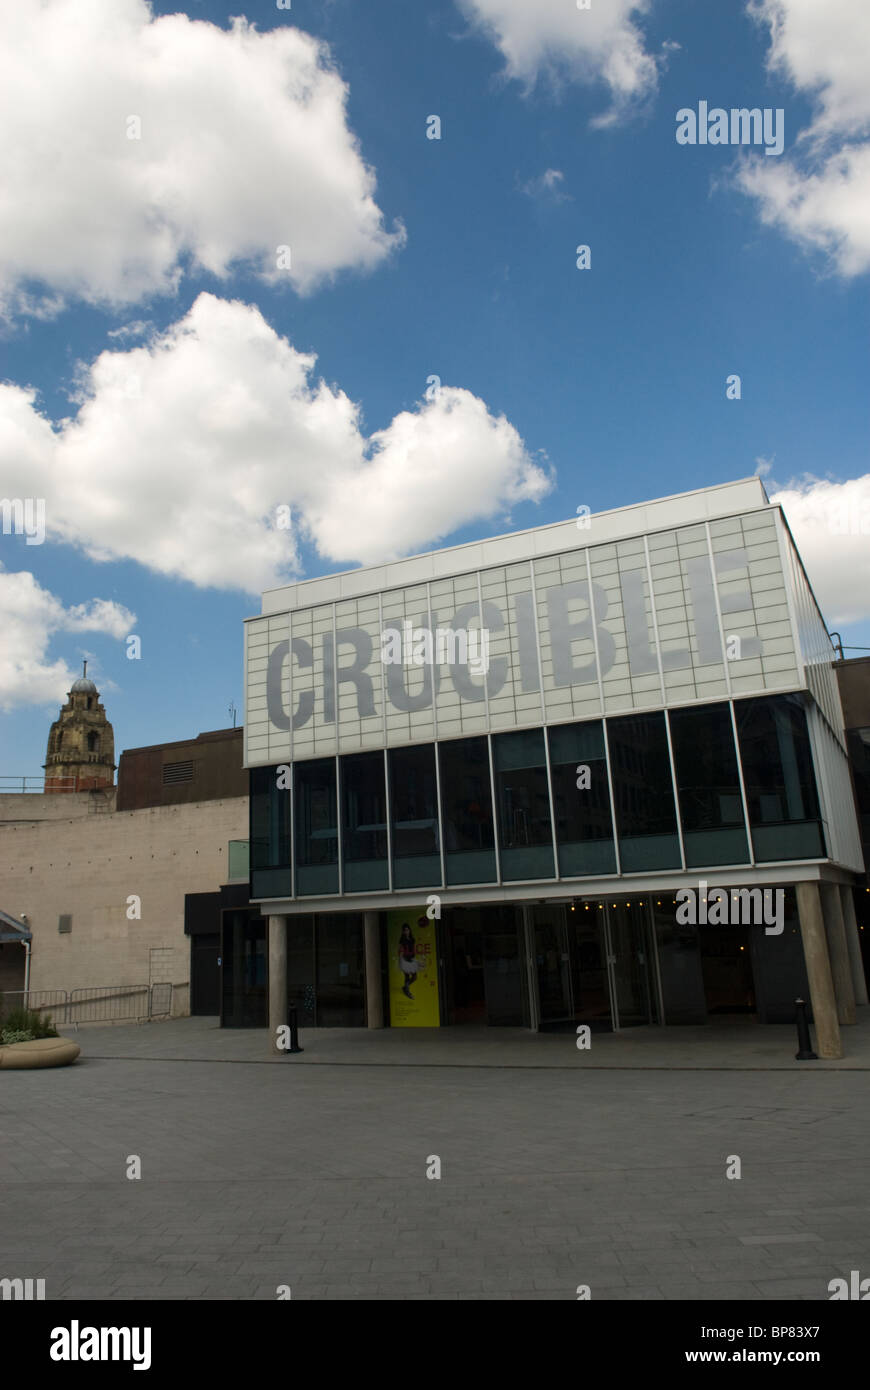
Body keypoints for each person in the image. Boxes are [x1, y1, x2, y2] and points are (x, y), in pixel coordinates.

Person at [397, 922, 418, 999]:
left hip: (411, 959)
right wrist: (400, 960)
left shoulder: (412, 939)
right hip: (405, 959)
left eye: (407, 930)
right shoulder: (402, 939)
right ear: (403, 931)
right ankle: (408, 992)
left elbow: (414, 949)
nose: (406, 931)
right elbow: (399, 950)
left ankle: (405, 987)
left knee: (415, 977)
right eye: (405, 930)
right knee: (407, 976)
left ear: (410, 930)